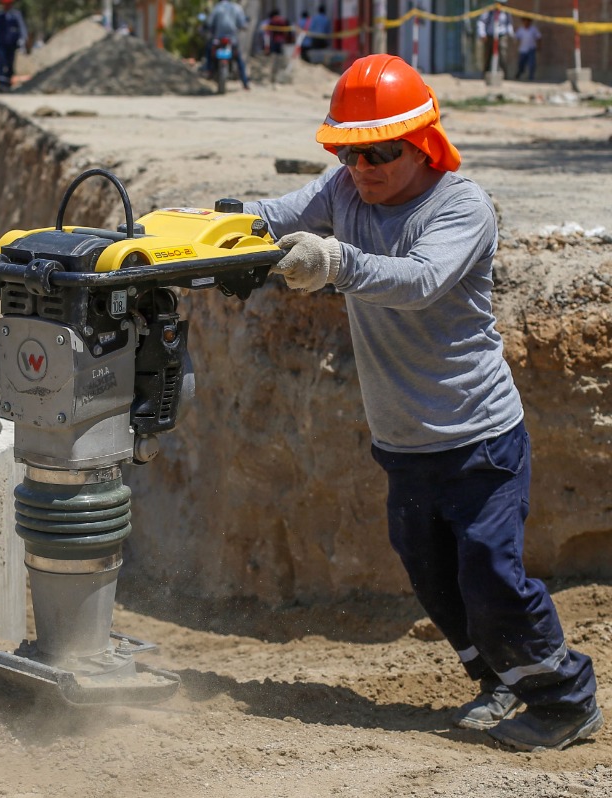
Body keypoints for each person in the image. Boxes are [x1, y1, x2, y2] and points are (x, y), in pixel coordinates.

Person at [243, 54, 602, 752]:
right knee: (434, 578)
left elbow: (419, 280)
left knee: (490, 573)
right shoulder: (344, 188)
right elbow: (268, 217)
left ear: (422, 144)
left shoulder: (461, 206)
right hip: (403, 442)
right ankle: (499, 681)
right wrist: (197, 228)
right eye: (347, 152)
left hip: (479, 438)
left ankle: (565, 700)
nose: (361, 168)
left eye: (379, 153)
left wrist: (335, 262)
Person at [205, 0, 251, 90]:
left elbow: (209, 23)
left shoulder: (217, 7)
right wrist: (244, 25)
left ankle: (208, 70)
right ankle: (245, 82)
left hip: (218, 39)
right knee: (239, 59)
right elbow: (243, 24)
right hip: (232, 39)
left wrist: (207, 28)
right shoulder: (237, 8)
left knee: (209, 50)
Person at [0, 0, 27, 93]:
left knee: (10, 63)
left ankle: (8, 83)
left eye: (8, 4)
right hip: (1, 44)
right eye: (5, 4)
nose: (6, 6)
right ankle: (1, 84)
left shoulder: (16, 14)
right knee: (1, 62)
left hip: (12, 44)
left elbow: (22, 27)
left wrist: (23, 40)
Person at [477, 3, 514, 76]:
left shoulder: (506, 12)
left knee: (503, 55)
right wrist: (482, 33)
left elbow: (509, 24)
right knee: (487, 55)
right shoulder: (489, 11)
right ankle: (485, 74)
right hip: (490, 35)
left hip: (502, 35)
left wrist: (511, 34)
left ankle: (504, 74)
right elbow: (481, 22)